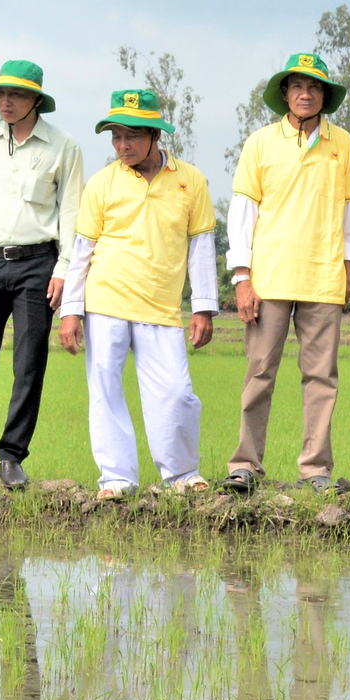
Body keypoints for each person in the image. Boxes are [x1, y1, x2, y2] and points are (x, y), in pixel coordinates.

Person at [57, 89, 217, 497]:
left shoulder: (190, 181)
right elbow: (82, 251)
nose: (122, 145)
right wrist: (71, 311)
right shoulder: (102, 183)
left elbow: (200, 248)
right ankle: (117, 479)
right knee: (105, 389)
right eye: (115, 136)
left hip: (162, 306)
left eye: (131, 136)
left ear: (155, 135)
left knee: (177, 393)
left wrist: (203, 308)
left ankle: (182, 475)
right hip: (106, 299)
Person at [223, 51, 350, 493]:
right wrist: (242, 277)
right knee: (260, 371)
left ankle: (316, 469)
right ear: (285, 93)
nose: (306, 94)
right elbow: (242, 213)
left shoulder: (342, 145)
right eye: (298, 86)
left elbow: (349, 212)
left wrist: (347, 265)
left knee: (321, 377)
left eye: (315, 87)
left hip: (323, 277)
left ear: (324, 95)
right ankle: (244, 464)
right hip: (269, 277)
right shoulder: (260, 142)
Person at [0, 60, 85, 486]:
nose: (5, 102)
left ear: (36, 100)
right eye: (0, 95)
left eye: (16, 95)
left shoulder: (64, 147)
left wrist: (63, 269)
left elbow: (72, 216)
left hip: (37, 266)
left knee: (29, 364)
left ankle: (11, 457)